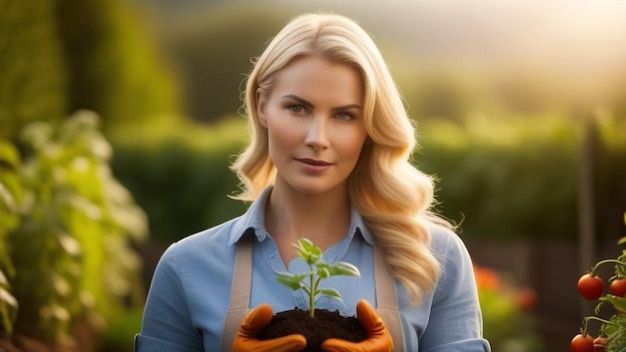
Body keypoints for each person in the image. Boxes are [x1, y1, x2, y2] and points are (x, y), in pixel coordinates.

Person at [135, 12, 491, 352]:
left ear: (369, 127)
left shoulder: (434, 260)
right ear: (262, 106)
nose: (318, 137)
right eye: (298, 108)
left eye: (344, 115)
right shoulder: (186, 267)